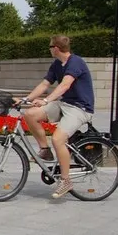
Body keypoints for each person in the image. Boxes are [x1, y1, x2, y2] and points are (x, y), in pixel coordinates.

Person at [19, 35, 95, 199]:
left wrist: (46, 100)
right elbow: (45, 84)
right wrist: (27, 99)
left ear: (56, 48)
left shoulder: (76, 62)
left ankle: (66, 180)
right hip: (64, 104)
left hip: (80, 108)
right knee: (30, 114)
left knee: (58, 139)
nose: (49, 49)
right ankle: (45, 150)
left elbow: (65, 84)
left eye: (50, 47)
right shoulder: (57, 64)